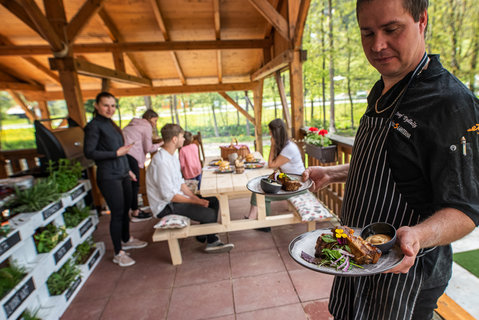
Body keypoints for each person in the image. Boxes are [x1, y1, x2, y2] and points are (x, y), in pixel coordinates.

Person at [303, 0, 478, 319]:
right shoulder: (382, 89)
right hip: (357, 257)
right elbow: (391, 163)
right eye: (367, 32)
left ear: (422, 20)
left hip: (406, 274)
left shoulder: (450, 103)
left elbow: (467, 207)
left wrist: (419, 235)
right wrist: (334, 174)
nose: (377, 45)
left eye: (391, 29)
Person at [146, 123, 234, 253]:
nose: (184, 139)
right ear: (174, 139)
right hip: (165, 206)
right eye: (181, 137)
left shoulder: (171, 156)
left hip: (175, 199)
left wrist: (194, 197)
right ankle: (212, 241)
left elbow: (180, 183)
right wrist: (196, 201)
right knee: (210, 214)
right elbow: (169, 196)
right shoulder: (161, 162)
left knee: (213, 200)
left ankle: (204, 234)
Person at [84, 92, 148, 268]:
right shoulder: (94, 126)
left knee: (127, 208)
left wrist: (128, 170)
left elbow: (119, 149)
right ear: (96, 106)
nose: (110, 109)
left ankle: (126, 239)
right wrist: (115, 154)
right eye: (106, 105)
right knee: (118, 213)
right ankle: (118, 252)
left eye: (113, 106)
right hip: (108, 176)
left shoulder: (110, 124)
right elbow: (89, 153)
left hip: (122, 173)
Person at [246, 119, 305, 228]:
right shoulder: (286, 146)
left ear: (275, 133)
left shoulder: (289, 148)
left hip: (296, 187)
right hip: (289, 183)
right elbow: (274, 165)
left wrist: (272, 145)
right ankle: (254, 218)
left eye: (270, 131)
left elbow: (271, 164)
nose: (269, 134)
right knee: (262, 186)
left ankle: (261, 223)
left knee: (262, 193)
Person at [122, 109, 162, 222]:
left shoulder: (134, 124)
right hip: (132, 156)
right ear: (149, 118)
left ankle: (134, 210)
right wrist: (161, 143)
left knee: (130, 185)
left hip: (123, 155)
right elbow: (149, 148)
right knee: (135, 185)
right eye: (155, 120)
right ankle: (135, 212)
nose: (155, 124)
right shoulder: (146, 126)